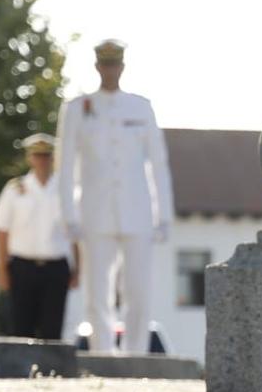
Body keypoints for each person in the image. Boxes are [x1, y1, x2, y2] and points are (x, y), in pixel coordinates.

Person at [53, 39, 174, 352]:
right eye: (105, 65)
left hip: (137, 210)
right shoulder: (78, 109)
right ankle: (103, 353)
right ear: (97, 67)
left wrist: (165, 215)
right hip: (95, 211)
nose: (110, 71)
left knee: (138, 290)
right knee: (97, 291)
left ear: (122, 67)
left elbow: (158, 164)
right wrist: (68, 215)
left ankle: (135, 355)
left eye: (115, 64)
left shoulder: (140, 107)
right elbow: (65, 165)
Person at [0, 133, 77, 340]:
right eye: (37, 156)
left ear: (53, 158)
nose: (42, 161)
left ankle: (51, 372)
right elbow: (1, 232)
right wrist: (1, 270)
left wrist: (77, 268)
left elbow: (75, 233)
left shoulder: (65, 191)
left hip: (56, 267)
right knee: (20, 327)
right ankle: (21, 373)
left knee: (52, 329)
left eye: (46, 156)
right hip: (22, 267)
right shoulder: (15, 189)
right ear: (30, 158)